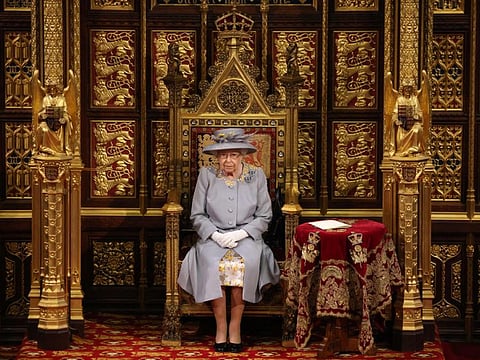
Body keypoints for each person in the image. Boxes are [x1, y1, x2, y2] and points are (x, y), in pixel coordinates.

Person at [177, 128, 280, 353]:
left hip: (247, 238)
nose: (228, 160)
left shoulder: (257, 176)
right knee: (213, 264)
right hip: (212, 238)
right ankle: (221, 326)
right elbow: (197, 214)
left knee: (243, 265)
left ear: (243, 155)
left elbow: (265, 216)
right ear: (217, 157)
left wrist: (241, 234)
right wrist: (215, 235)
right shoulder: (207, 175)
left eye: (233, 155)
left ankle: (235, 326)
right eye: (223, 155)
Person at [392, 79, 425, 156]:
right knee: (400, 134)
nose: (407, 90)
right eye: (406, 88)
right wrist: (396, 120)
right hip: (402, 125)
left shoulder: (415, 99)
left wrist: (417, 116)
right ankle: (401, 150)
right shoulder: (399, 100)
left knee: (417, 130)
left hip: (413, 124)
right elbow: (395, 113)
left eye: (409, 88)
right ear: (402, 89)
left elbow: (419, 112)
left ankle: (414, 150)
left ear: (412, 89)